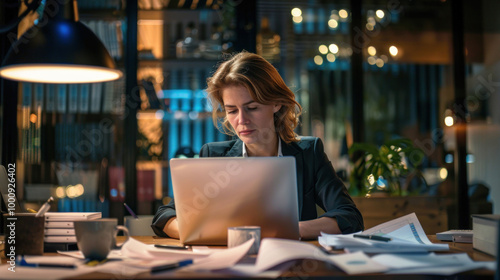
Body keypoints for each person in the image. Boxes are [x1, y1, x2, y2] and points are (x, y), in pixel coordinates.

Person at [151, 51, 364, 240]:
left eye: (252, 107)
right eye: (232, 110)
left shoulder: (309, 153)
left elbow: (349, 218)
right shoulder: (213, 155)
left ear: (276, 103)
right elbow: (164, 216)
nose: (241, 120)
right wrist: (194, 231)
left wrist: (285, 230)